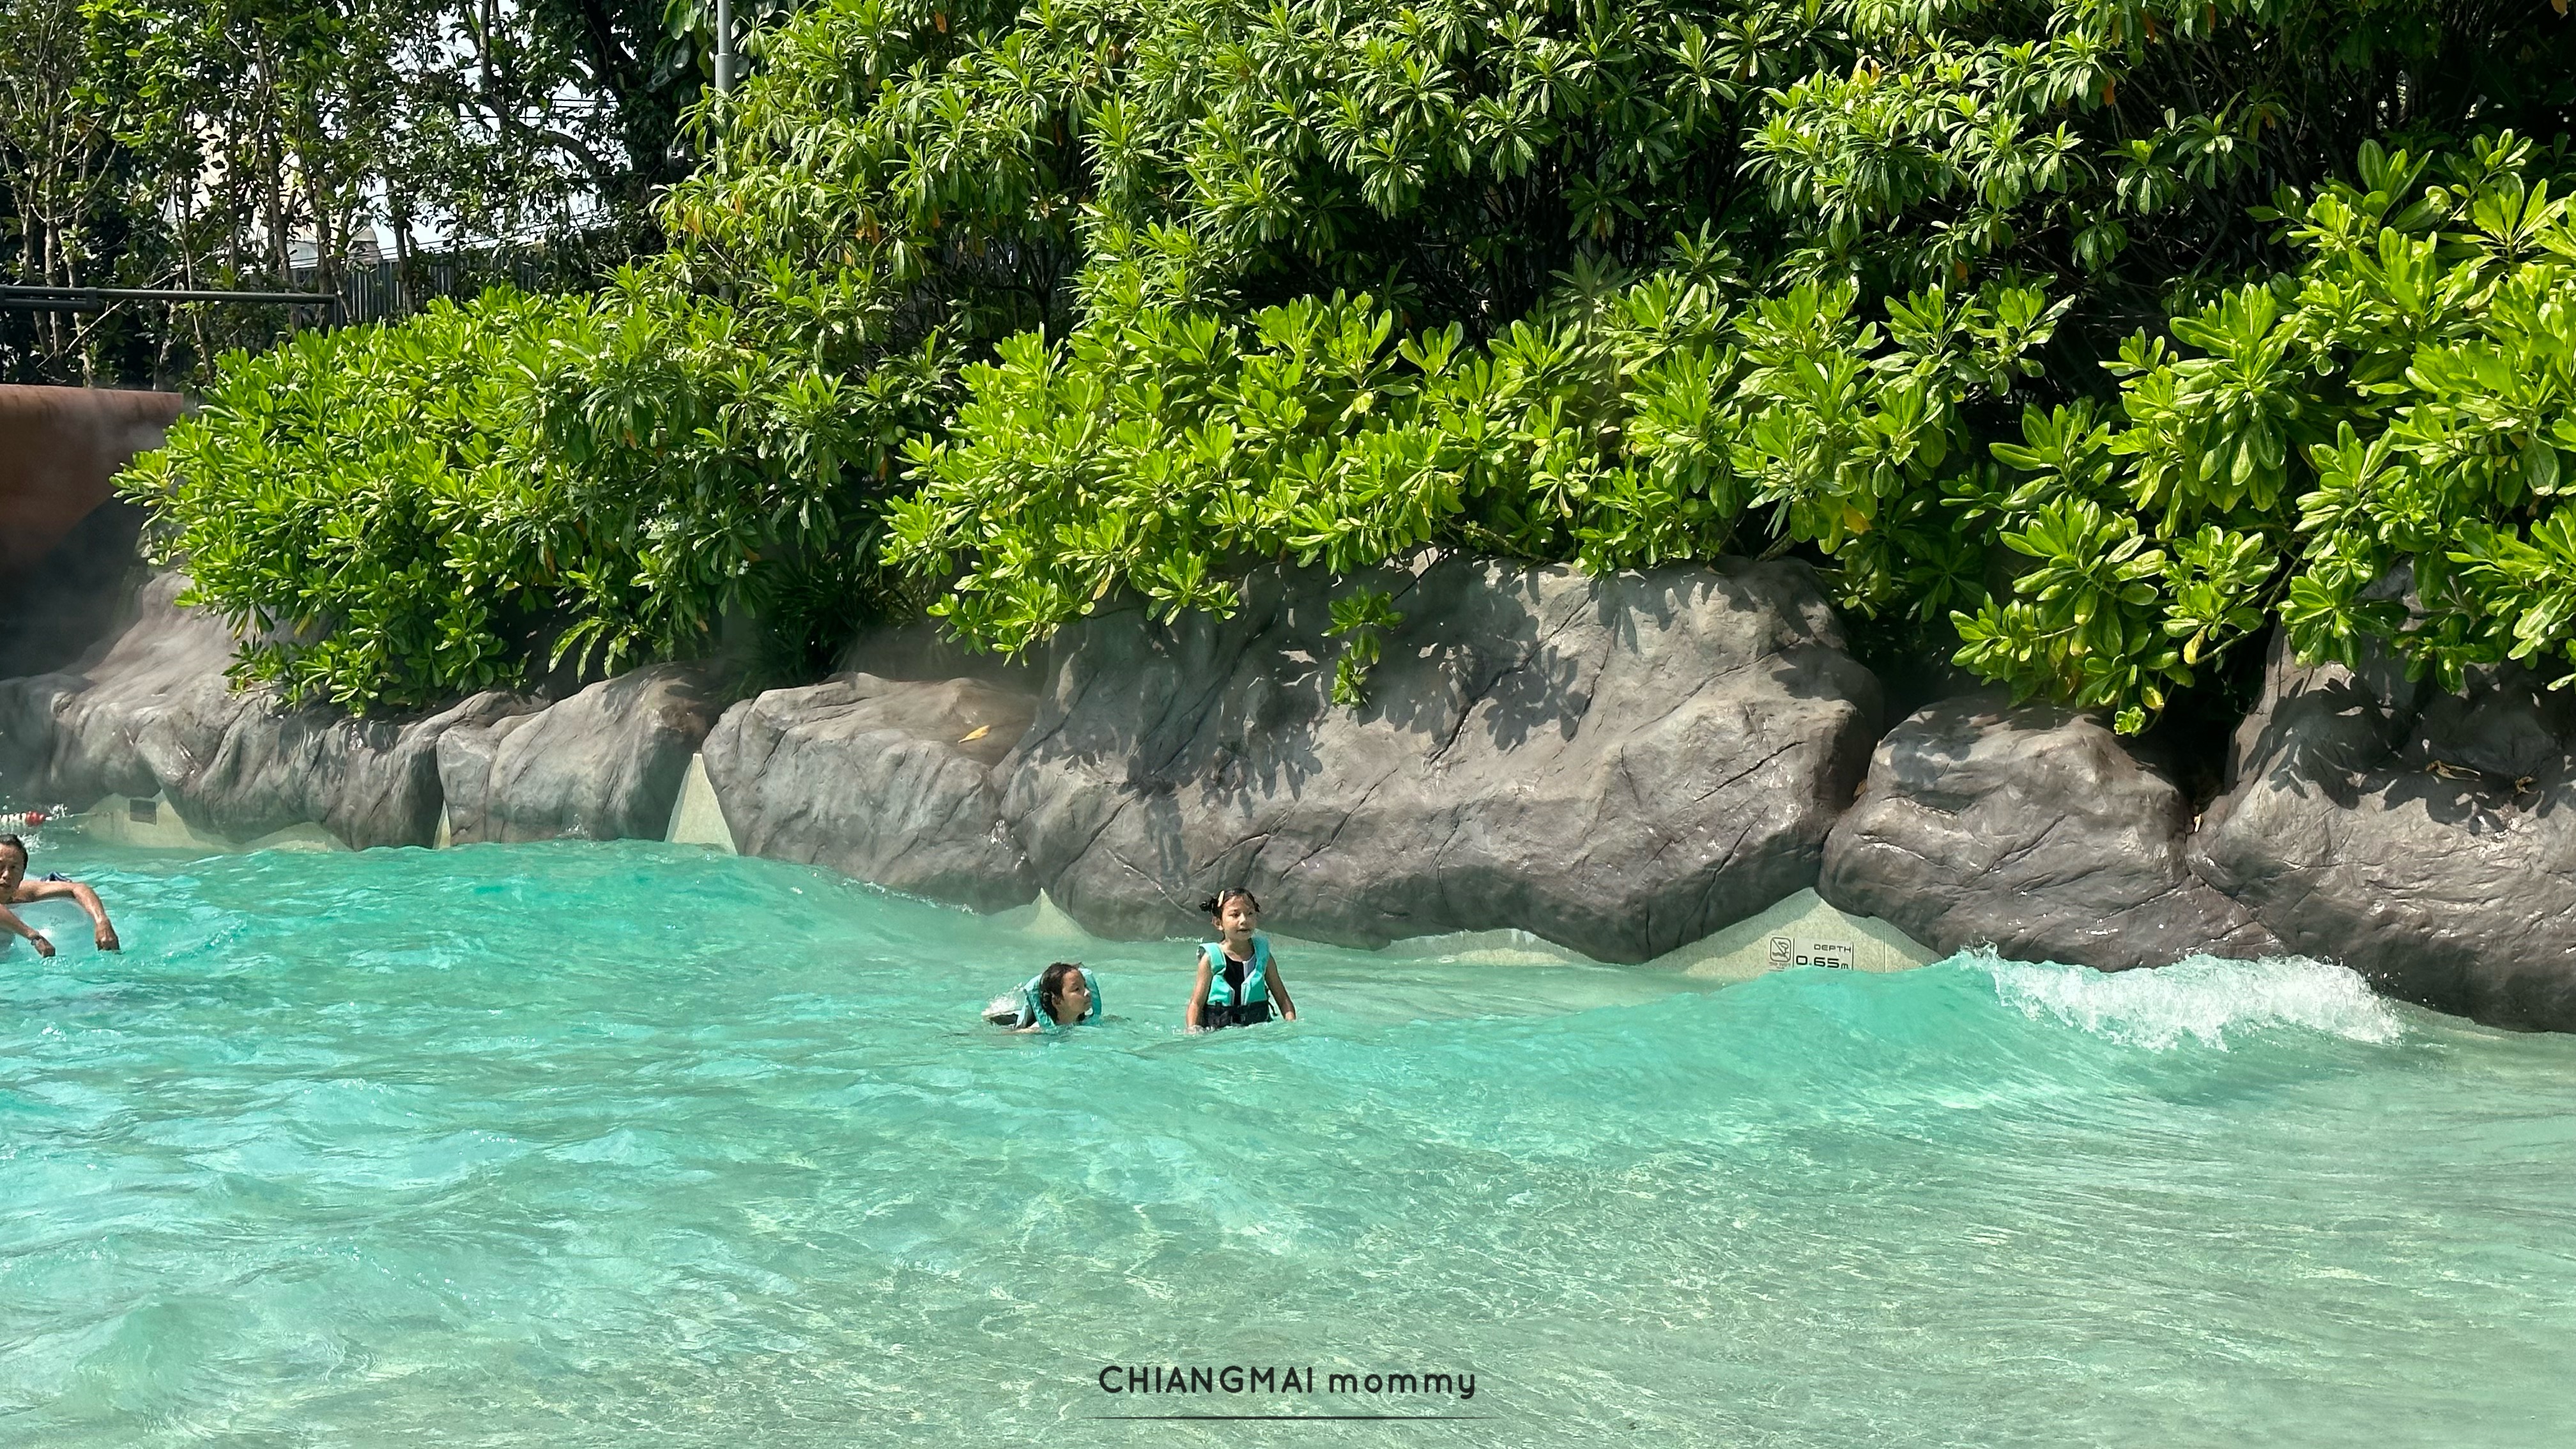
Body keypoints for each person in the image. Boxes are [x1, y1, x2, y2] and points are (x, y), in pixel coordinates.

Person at [1186, 887, 1296, 1032]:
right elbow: (1196, 1004)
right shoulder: (1210, 960)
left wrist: (1292, 1027)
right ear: (1218, 923)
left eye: (1250, 914)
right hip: (1218, 1033)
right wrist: (1193, 1030)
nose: (1244, 920)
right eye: (1235, 915)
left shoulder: (1264, 957)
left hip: (1258, 1034)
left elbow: (1283, 999)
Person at [0, 833, 119, 958]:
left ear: (23, 874)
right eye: (0, 866)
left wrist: (102, 921)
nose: (7, 875)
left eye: (14, 868)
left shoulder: (23, 893)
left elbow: (78, 888)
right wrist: (34, 936)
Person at [986, 960, 1102, 1032]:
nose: (1088, 992)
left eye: (1085, 986)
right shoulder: (1036, 1031)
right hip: (1006, 1021)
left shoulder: (1086, 1022)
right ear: (1057, 1001)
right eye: (1077, 989)